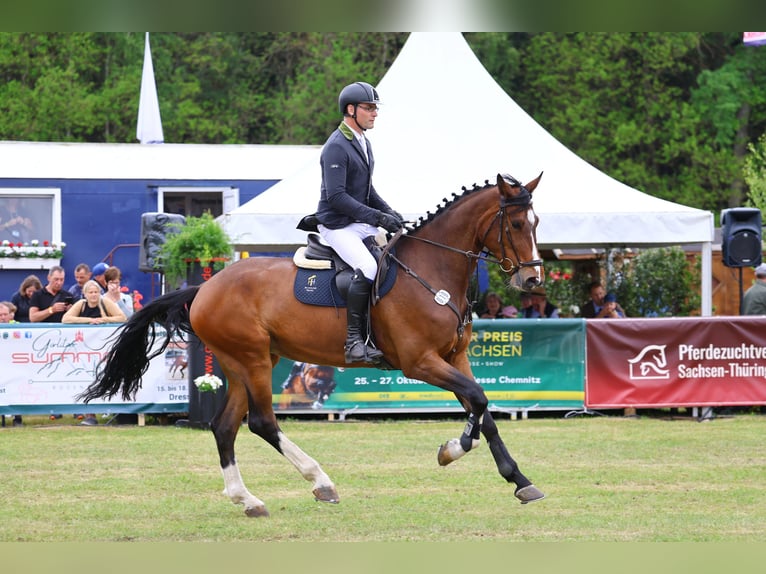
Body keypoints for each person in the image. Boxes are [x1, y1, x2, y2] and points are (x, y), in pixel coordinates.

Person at [302, 81, 403, 364]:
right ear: (351, 109)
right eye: (369, 108)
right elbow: (337, 197)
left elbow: (367, 190)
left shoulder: (363, 142)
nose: (374, 113)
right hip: (336, 224)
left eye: (374, 108)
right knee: (369, 267)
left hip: (356, 222)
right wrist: (376, 217)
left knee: (393, 258)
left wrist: (391, 215)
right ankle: (354, 342)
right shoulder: (336, 146)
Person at [63, 280, 126, 426]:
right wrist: (89, 320)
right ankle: (90, 414)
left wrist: (103, 320)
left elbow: (121, 317)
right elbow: (66, 318)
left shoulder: (105, 303)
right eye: (90, 292)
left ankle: (110, 410)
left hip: (104, 347)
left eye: (96, 292)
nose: (93, 295)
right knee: (86, 378)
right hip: (85, 350)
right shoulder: (81, 304)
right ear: (85, 294)